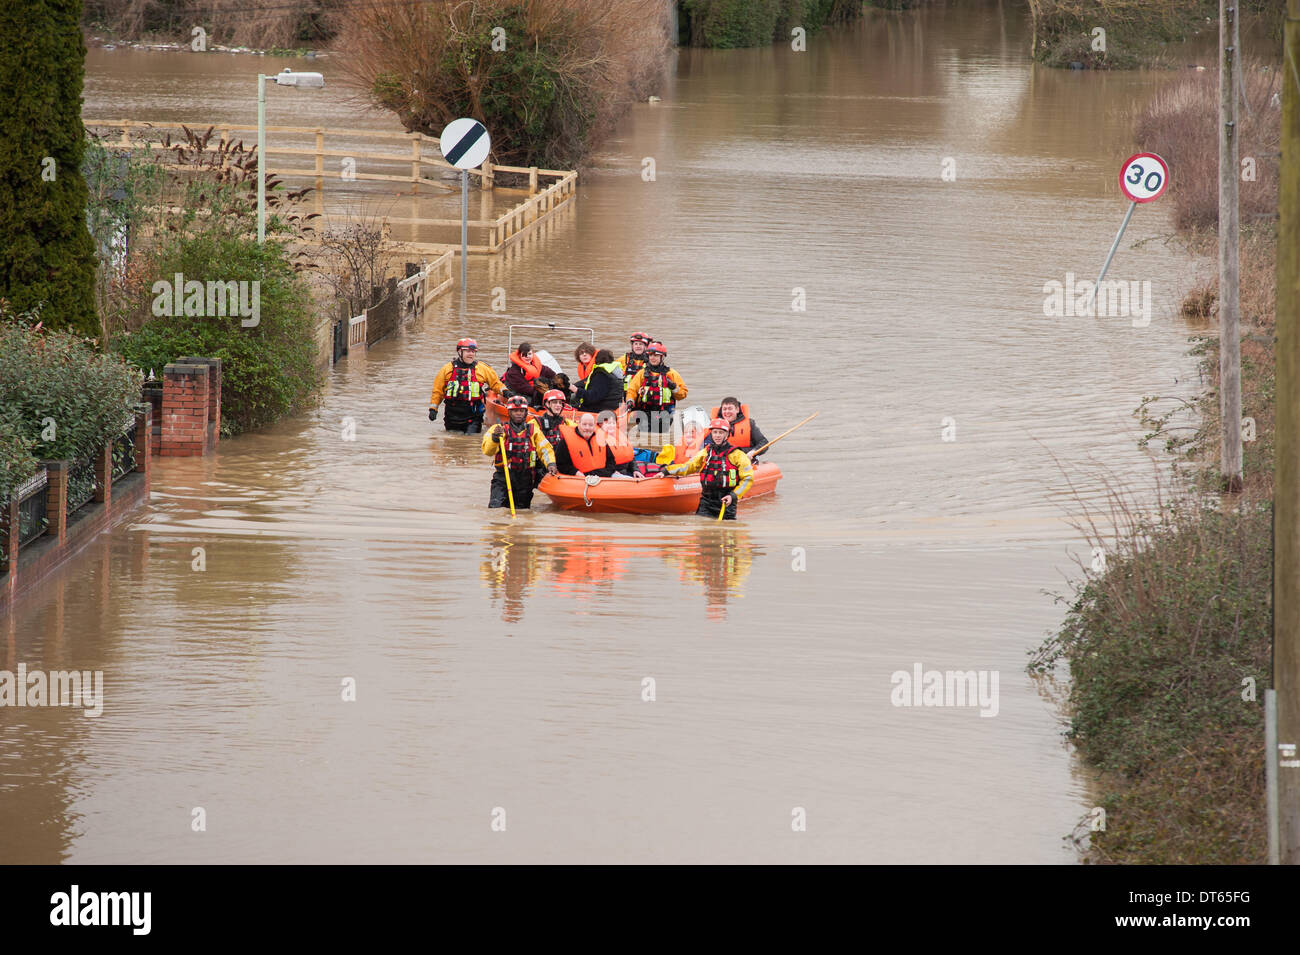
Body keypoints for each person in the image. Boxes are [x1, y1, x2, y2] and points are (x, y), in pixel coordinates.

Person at [657, 417, 754, 520]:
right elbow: (689, 466)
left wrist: (733, 496)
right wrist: (666, 471)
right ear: (711, 434)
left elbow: (748, 478)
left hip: (726, 501)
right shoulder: (706, 452)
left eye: (721, 433)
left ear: (727, 434)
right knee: (702, 531)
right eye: (715, 432)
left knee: (726, 533)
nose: (717, 435)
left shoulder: (737, 455)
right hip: (706, 502)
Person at [483, 395, 557, 509]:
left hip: (525, 480)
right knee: (495, 508)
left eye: (521, 411)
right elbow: (487, 451)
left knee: (522, 511)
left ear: (526, 412)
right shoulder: (498, 429)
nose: (518, 413)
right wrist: (494, 439)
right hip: (503, 478)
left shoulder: (533, 431)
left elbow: (545, 449)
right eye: (515, 411)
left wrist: (551, 464)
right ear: (509, 412)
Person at [429, 338, 502, 434]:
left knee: (471, 441)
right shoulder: (447, 369)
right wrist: (433, 409)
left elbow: (496, 384)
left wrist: (506, 392)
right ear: (459, 352)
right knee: (453, 441)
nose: (471, 354)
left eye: (473, 351)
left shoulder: (482, 369)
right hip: (452, 415)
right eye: (467, 351)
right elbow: (438, 391)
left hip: (473, 415)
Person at [624, 342, 687, 433]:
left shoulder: (671, 374)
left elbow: (683, 394)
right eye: (650, 355)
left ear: (662, 357)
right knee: (645, 438)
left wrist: (673, 387)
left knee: (659, 438)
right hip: (645, 413)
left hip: (665, 414)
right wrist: (630, 400)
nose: (652, 358)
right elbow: (632, 390)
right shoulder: (642, 374)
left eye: (656, 356)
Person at [554, 413, 617, 477]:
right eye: (584, 424)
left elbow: (611, 460)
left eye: (590, 425)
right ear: (578, 425)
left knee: (626, 478)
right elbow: (561, 465)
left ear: (594, 426)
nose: (587, 428)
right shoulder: (566, 442)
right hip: (580, 480)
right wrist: (575, 473)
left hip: (604, 478)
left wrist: (607, 473)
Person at [572, 348, 624, 413]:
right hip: (612, 407)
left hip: (599, 410)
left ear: (596, 360)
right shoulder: (614, 371)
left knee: (572, 403)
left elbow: (592, 397)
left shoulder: (601, 374)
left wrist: (575, 389)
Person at [597, 410, 638, 476]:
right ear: (600, 424)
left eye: (613, 423)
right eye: (608, 423)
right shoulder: (597, 440)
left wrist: (635, 470)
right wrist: (611, 472)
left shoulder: (619, 435)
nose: (611, 426)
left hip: (626, 470)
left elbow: (630, 455)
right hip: (611, 474)